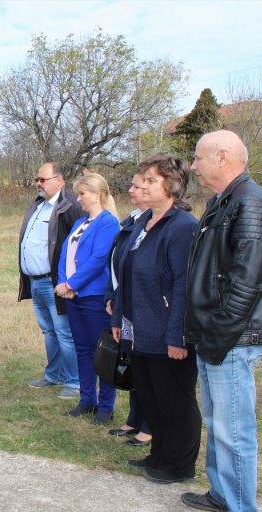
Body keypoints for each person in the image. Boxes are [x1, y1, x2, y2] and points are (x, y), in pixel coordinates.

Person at [181, 131, 262, 512]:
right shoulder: (223, 200)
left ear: (222, 157)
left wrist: (219, 336)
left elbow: (247, 280)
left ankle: (240, 505)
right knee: (217, 423)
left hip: (232, 337)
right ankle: (221, 494)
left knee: (234, 431)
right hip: (215, 334)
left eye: (198, 158)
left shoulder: (251, 202)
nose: (193, 166)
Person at [110, 155, 200, 485]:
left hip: (166, 334)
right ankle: (159, 456)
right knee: (150, 397)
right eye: (142, 180)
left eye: (151, 181)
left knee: (174, 400)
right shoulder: (143, 222)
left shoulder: (182, 227)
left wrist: (177, 337)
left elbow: (183, 285)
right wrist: (119, 317)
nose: (143, 186)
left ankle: (179, 466)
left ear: (172, 186)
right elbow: (126, 273)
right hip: (139, 329)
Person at [55, 173, 119, 424]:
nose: (78, 198)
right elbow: (64, 253)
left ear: (98, 194)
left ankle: (106, 407)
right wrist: (64, 283)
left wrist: (72, 283)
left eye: (82, 193)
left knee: (102, 352)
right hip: (74, 296)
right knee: (82, 349)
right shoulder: (80, 222)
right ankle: (86, 400)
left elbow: (98, 258)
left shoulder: (108, 223)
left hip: (93, 296)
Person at [19, 162, 83, 400]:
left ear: (59, 181)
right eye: (37, 179)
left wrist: (70, 281)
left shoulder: (69, 207)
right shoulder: (37, 205)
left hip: (54, 281)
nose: (38, 183)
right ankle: (54, 374)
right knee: (48, 330)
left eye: (43, 179)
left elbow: (77, 245)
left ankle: (75, 381)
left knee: (64, 332)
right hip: (35, 281)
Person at [104, 171, 152, 446]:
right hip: (125, 301)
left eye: (137, 185)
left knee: (146, 367)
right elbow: (119, 262)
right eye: (132, 184)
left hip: (145, 307)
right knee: (131, 363)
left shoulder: (159, 224)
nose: (131, 190)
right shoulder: (133, 219)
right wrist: (113, 294)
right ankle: (135, 418)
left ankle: (149, 425)